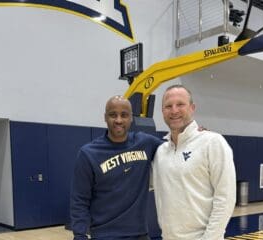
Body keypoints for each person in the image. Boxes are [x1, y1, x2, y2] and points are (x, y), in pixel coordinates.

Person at [70, 95, 162, 240]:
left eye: (124, 115)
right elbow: (80, 200)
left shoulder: (145, 143)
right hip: (104, 235)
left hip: (140, 235)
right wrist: (79, 235)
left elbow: (174, 148)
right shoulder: (88, 153)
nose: (118, 120)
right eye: (113, 115)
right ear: (105, 117)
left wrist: (195, 135)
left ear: (131, 118)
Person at [152, 84, 236, 240]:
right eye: (168, 106)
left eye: (180, 104)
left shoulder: (212, 142)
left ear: (192, 108)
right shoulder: (160, 152)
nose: (174, 110)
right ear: (162, 112)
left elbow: (225, 198)